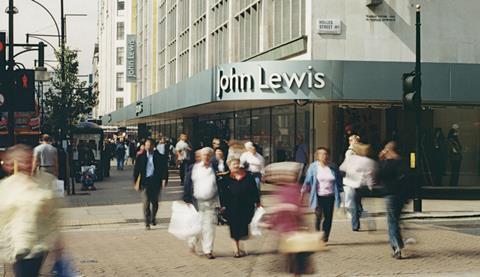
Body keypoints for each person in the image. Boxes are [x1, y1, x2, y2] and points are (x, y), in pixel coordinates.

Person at [0, 144, 60, 277]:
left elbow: (54, 215)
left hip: (39, 245)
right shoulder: (7, 186)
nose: (27, 164)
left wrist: (58, 245)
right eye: (22, 161)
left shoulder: (46, 180)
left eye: (29, 159)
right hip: (18, 246)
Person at [183, 147, 220, 259]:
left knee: (209, 227)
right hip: (196, 202)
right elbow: (187, 183)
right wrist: (187, 199)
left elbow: (218, 185)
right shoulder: (194, 168)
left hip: (210, 202)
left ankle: (208, 250)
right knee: (197, 226)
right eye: (205, 155)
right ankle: (192, 242)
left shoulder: (214, 168)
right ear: (201, 156)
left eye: (209, 155)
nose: (207, 157)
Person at [301, 147, 343, 243]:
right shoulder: (313, 167)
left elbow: (338, 180)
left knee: (328, 218)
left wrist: (340, 193)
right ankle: (317, 234)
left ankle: (325, 237)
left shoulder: (332, 166)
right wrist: (302, 194)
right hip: (318, 196)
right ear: (318, 156)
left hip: (330, 196)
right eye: (322, 154)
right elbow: (307, 182)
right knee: (318, 216)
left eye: (326, 154)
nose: (324, 156)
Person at [220, 158, 260, 257]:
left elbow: (255, 190)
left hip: (246, 206)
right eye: (233, 164)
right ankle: (236, 250)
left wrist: (258, 202)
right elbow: (222, 194)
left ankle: (240, 247)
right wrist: (222, 205)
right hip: (231, 206)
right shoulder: (225, 179)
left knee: (243, 227)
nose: (236, 166)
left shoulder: (248, 177)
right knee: (234, 227)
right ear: (229, 166)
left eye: (237, 164)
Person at [378, 141, 408, 259]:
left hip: (391, 194)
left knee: (392, 222)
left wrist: (381, 159)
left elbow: (381, 175)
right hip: (401, 195)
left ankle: (397, 247)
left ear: (389, 150)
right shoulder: (402, 162)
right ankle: (399, 243)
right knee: (396, 220)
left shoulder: (389, 163)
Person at [340, 142, 377, 231]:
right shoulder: (368, 161)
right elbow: (370, 175)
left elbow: (342, 168)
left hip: (353, 184)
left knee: (355, 205)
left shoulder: (352, 159)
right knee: (357, 204)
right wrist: (370, 186)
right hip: (361, 185)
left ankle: (355, 224)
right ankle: (359, 219)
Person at [133, 138, 168, 230]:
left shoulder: (160, 156)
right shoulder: (140, 157)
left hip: (155, 181)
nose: (148, 147)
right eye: (146, 145)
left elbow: (164, 169)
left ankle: (153, 218)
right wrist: (135, 182)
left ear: (153, 146)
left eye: (150, 145)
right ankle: (147, 222)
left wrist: (164, 179)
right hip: (145, 181)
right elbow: (136, 171)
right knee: (146, 202)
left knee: (155, 202)